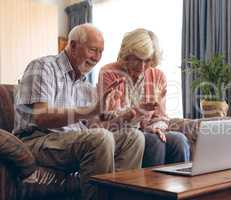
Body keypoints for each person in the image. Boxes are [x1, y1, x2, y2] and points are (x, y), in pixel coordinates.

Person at [13, 24, 147, 200]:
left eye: (101, 52)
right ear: (73, 46)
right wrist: (90, 110)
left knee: (133, 137)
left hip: (70, 141)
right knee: (100, 138)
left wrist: (122, 114)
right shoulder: (43, 67)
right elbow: (41, 117)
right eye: (93, 50)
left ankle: (117, 196)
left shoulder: (84, 85)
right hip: (37, 140)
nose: (97, 58)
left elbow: (95, 125)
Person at [97, 28, 190, 167]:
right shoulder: (109, 72)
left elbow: (161, 117)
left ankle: (182, 188)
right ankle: (150, 189)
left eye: (147, 61)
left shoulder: (158, 76)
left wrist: (156, 127)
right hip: (121, 133)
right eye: (137, 59)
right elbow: (109, 119)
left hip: (148, 131)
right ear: (127, 55)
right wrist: (136, 112)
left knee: (179, 140)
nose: (142, 67)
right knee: (154, 142)